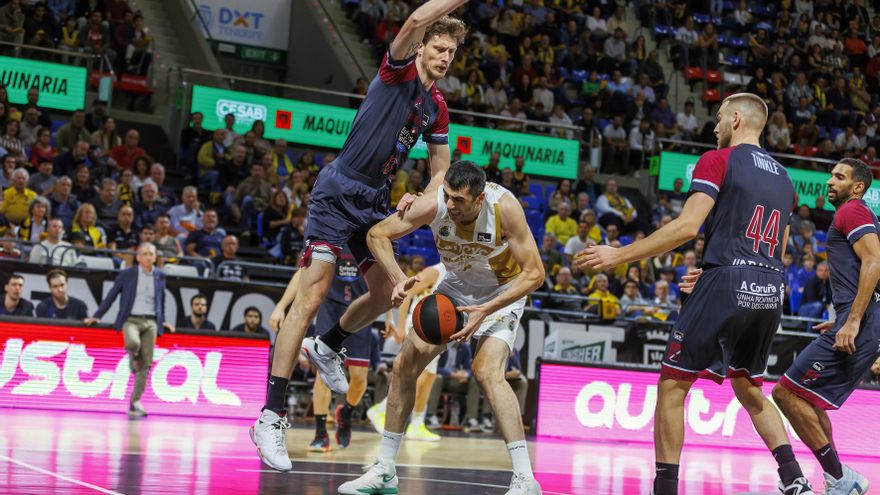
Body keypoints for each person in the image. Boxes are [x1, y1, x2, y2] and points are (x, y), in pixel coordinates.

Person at [251, 1, 467, 474]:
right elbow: (415, 19)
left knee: (388, 293)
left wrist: (422, 196)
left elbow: (442, 172)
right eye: (438, 47)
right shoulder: (397, 72)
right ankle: (270, 415)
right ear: (422, 47)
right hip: (338, 190)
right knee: (311, 296)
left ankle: (328, 343)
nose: (445, 57)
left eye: (452, 52)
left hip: (375, 201)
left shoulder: (437, 109)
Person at [575, 93, 813, 495]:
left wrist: (619, 254)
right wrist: (717, 268)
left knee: (672, 385)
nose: (714, 126)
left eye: (719, 118)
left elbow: (687, 227)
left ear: (736, 119)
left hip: (728, 283)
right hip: (771, 287)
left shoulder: (717, 160)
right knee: (749, 388)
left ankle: (665, 489)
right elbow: (780, 249)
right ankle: (794, 478)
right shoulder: (786, 180)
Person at [339, 161, 545, 495]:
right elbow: (377, 235)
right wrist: (399, 278)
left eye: (459, 200)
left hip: (501, 294)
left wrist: (485, 310)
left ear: (479, 199)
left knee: (487, 372)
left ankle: (525, 478)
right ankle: (385, 469)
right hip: (454, 290)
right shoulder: (434, 204)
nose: (450, 204)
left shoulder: (504, 207)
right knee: (403, 365)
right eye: (447, 195)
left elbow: (535, 274)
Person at [771, 159, 876, 494]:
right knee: (808, 399)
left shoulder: (852, 211)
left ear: (857, 187)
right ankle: (839, 478)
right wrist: (846, 314)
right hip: (860, 319)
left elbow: (875, 261)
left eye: (839, 177)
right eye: (831, 175)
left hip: (861, 324)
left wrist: (854, 319)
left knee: (785, 393)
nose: (830, 181)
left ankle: (841, 478)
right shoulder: (854, 214)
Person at [85, 243, 173, 418]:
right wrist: (97, 315)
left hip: (151, 321)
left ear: (155, 257)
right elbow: (112, 295)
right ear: (138, 257)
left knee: (146, 363)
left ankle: (135, 402)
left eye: (151, 254)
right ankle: (133, 357)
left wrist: (163, 321)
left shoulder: (160, 275)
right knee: (132, 343)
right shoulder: (127, 274)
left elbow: (161, 301)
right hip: (130, 319)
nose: (148, 257)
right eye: (144, 254)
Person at [366, 263, 447, 442]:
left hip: (438, 329)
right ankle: (381, 410)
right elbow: (408, 292)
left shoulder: (459, 274)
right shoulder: (436, 271)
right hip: (421, 323)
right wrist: (401, 326)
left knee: (429, 377)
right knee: (417, 376)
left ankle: (417, 424)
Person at [308, 249, 375, 452]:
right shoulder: (332, 237)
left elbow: (384, 281)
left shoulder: (370, 240)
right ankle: (320, 433)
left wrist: (389, 319)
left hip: (361, 308)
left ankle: (346, 413)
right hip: (330, 308)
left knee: (359, 378)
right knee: (323, 372)